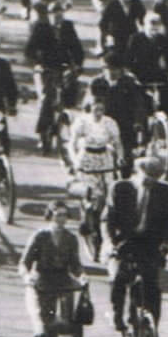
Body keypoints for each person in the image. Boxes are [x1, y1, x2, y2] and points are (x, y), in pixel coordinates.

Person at [105, 151, 168, 333]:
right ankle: (117, 313)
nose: (150, 181)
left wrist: (166, 242)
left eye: (154, 178)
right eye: (147, 177)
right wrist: (113, 243)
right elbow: (109, 220)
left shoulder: (165, 191)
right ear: (137, 172)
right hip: (124, 240)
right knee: (119, 277)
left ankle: (150, 326)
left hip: (150, 243)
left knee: (152, 285)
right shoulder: (120, 188)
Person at [21, 203, 89, 337]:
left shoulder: (71, 238)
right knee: (45, 324)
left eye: (64, 215)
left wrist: (82, 275)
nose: (61, 219)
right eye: (58, 215)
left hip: (63, 279)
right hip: (44, 280)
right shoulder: (40, 236)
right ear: (50, 216)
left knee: (69, 322)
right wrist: (27, 277)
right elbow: (24, 263)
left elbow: (75, 264)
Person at [25, 2, 84, 154]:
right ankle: (42, 131)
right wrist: (37, 64)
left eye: (60, 13)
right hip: (45, 69)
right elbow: (29, 51)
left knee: (72, 90)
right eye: (53, 14)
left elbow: (77, 49)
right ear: (48, 15)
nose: (57, 17)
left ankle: (67, 118)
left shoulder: (68, 27)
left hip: (63, 69)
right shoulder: (40, 28)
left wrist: (77, 65)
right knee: (47, 97)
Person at [68, 95, 124, 256]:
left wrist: (120, 157)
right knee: (93, 197)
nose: (98, 112)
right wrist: (74, 160)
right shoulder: (82, 122)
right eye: (95, 109)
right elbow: (72, 143)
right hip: (87, 161)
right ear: (89, 108)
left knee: (109, 195)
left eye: (101, 109)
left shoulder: (109, 123)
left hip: (105, 160)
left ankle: (106, 224)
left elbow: (117, 143)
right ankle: (88, 224)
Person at [89, 54, 151, 177]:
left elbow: (139, 105)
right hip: (103, 126)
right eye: (107, 68)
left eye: (114, 69)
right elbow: (89, 105)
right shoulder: (97, 83)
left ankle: (124, 181)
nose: (110, 72)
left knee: (126, 161)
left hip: (124, 126)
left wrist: (138, 122)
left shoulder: (130, 84)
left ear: (121, 70)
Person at [99, 0, 145, 65]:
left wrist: (143, 31)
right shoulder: (112, 4)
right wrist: (108, 36)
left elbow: (143, 20)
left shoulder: (137, 3)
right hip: (115, 36)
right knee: (115, 59)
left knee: (132, 58)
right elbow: (103, 24)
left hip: (131, 35)